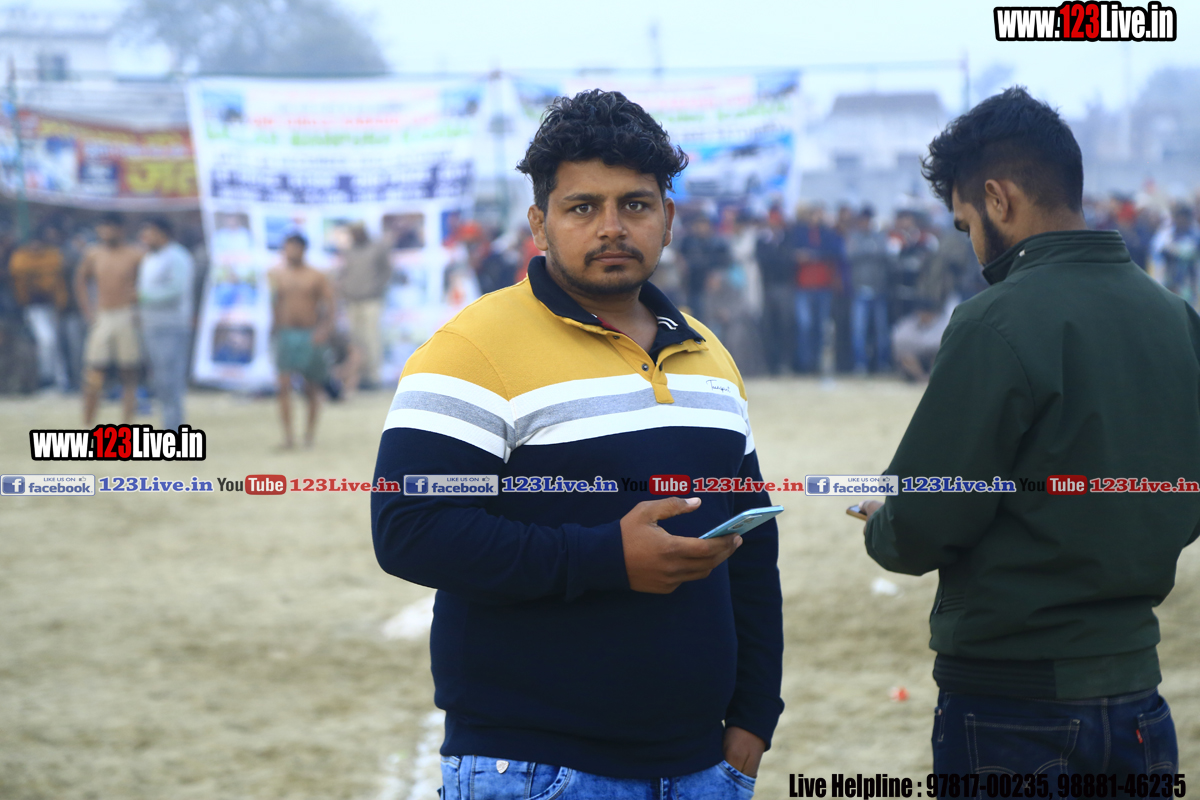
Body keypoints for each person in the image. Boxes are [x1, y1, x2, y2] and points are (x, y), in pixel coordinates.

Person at [372, 89, 783, 799]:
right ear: (540, 223)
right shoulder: (472, 349)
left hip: (703, 766)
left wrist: (753, 719)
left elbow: (752, 549)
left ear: (668, 218)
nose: (612, 227)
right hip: (535, 766)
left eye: (635, 204)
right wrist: (604, 557)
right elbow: (409, 528)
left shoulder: (708, 355)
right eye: (583, 207)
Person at [858, 87, 1200, 779]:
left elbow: (926, 520)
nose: (971, 241)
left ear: (998, 198)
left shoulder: (995, 320)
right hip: (1138, 699)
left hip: (1011, 700)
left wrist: (883, 521)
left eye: (965, 223)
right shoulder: (1176, 317)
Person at [76, 213, 144, 425]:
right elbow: (80, 280)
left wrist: (139, 303)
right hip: (103, 314)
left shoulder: (135, 254)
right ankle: (88, 423)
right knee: (94, 371)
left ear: (121, 230)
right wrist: (87, 310)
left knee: (129, 372)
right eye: (103, 228)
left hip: (127, 314)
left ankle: (127, 424)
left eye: (111, 228)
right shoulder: (93, 254)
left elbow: (146, 282)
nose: (107, 232)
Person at [269, 234, 334, 448]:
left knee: (312, 387)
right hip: (286, 334)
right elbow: (275, 304)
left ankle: (309, 436)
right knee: (283, 386)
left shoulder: (316, 276)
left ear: (303, 249)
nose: (290, 252)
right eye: (287, 248)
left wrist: (323, 331)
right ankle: (288, 437)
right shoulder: (277, 275)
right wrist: (275, 330)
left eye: (294, 248)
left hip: (310, 334)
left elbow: (330, 306)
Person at [137, 217, 195, 432]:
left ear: (162, 233)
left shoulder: (177, 256)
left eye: (149, 232)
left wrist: (142, 297)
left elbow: (176, 289)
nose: (144, 237)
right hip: (151, 326)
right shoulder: (149, 258)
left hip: (171, 327)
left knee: (171, 381)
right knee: (160, 381)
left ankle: (175, 429)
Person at [8, 225, 68, 389]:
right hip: (33, 308)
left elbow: (58, 283)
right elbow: (18, 281)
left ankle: (61, 380)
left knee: (55, 342)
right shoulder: (21, 258)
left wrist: (60, 301)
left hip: (51, 306)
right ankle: (45, 377)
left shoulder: (52, 256)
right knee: (46, 340)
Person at [337, 222, 390, 389]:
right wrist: (345, 290)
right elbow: (344, 273)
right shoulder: (349, 252)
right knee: (356, 340)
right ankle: (359, 376)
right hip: (352, 301)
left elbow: (386, 271)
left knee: (371, 338)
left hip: (371, 301)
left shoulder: (377, 248)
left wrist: (377, 288)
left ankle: (374, 377)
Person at [844, 207, 893, 373]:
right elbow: (850, 255)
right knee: (859, 330)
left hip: (879, 289)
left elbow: (885, 254)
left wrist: (866, 252)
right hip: (859, 290)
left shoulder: (880, 237)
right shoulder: (853, 236)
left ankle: (882, 363)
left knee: (881, 330)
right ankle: (860, 364)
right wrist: (871, 252)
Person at [755, 205, 797, 374]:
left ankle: (785, 362)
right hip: (768, 287)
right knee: (769, 326)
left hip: (784, 286)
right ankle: (771, 364)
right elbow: (764, 261)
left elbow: (787, 262)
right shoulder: (762, 241)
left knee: (786, 325)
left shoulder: (787, 239)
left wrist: (776, 257)